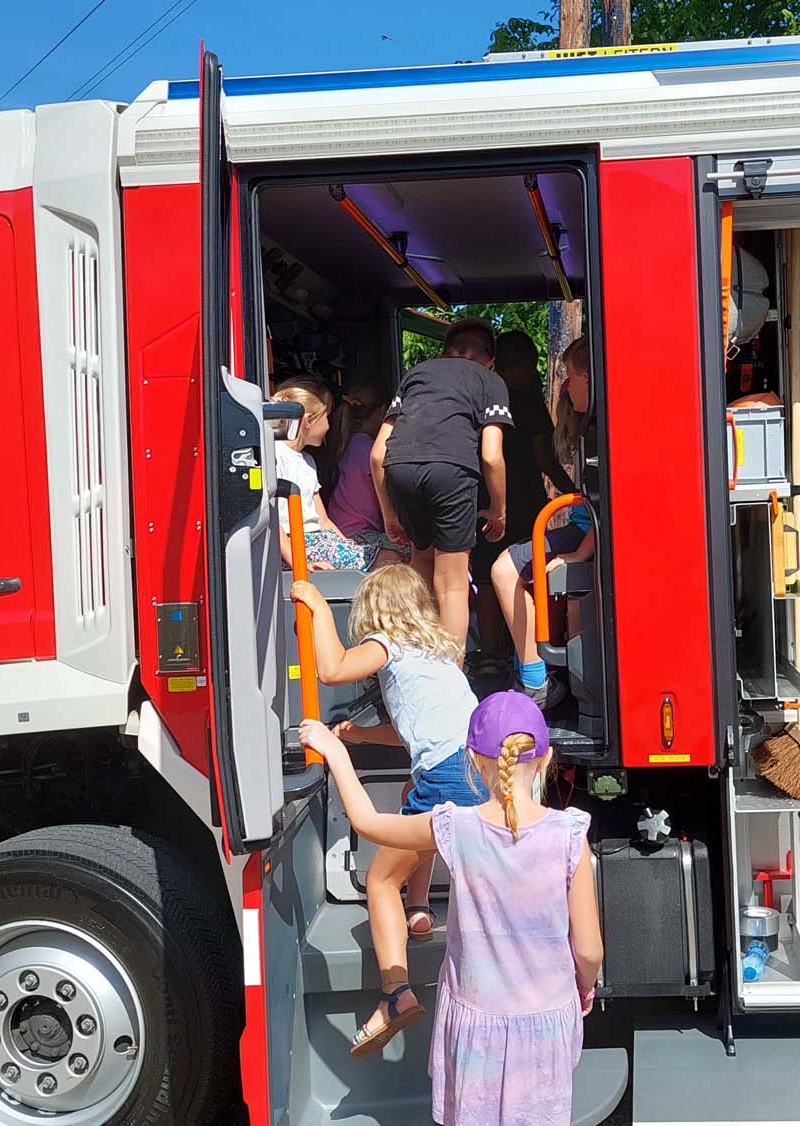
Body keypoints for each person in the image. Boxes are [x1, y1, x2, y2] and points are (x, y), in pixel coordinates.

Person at [299, 690, 603, 1126]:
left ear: (473, 761)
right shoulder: (570, 834)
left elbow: (368, 823)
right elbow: (588, 950)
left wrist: (335, 751)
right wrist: (584, 989)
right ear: (546, 758)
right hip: (545, 1023)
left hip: (474, 1025)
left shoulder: (455, 826)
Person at [289, 564, 488, 1058]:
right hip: (477, 771)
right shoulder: (439, 654)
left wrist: (318, 607)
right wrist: (362, 735)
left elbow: (332, 669)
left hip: (447, 777)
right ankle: (417, 911)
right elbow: (414, 734)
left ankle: (395, 994)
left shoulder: (387, 642)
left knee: (380, 880)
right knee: (409, 795)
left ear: (375, 610)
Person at [372, 319, 512, 650]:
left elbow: (378, 455)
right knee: (452, 583)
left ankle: (413, 654)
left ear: (444, 352)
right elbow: (491, 456)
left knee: (421, 560)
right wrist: (499, 511)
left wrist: (389, 515)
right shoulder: (490, 381)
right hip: (452, 470)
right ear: (490, 359)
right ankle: (451, 671)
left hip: (400, 466)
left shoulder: (416, 374)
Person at [489, 336, 595, 709]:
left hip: (583, 533)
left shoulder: (601, 430)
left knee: (503, 570)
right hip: (580, 529)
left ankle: (535, 681)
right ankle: (542, 675)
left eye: (570, 377)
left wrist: (580, 553)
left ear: (587, 377)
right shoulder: (593, 426)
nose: (564, 386)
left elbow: (608, 508)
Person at [270, 378, 380, 572]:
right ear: (309, 421)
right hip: (297, 543)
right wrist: (300, 564)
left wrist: (349, 547)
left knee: (380, 555)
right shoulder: (276, 456)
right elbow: (274, 522)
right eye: (327, 417)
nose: (329, 425)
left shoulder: (308, 461)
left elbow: (324, 520)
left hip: (319, 539)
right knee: (386, 557)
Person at [324, 379, 397, 545]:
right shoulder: (368, 450)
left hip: (342, 530)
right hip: (359, 534)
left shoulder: (349, 443)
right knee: (415, 550)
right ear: (383, 412)